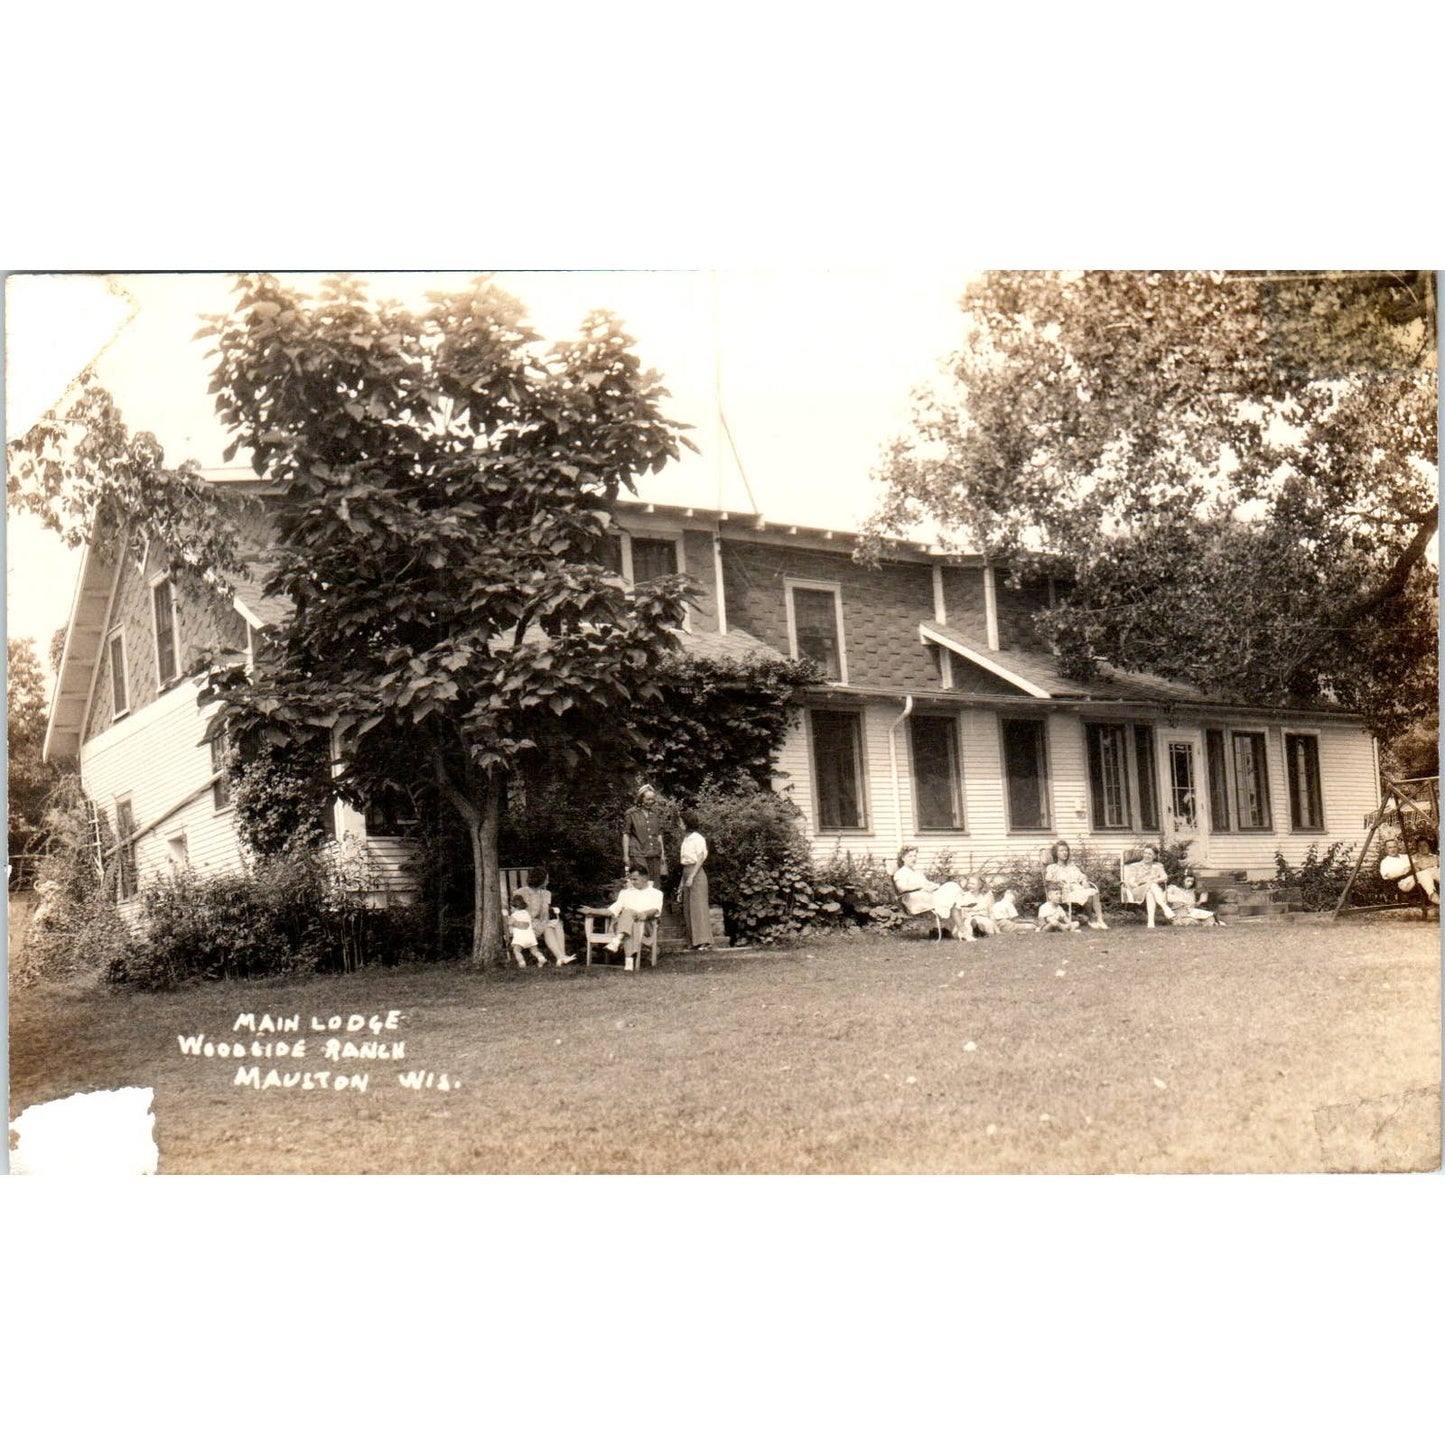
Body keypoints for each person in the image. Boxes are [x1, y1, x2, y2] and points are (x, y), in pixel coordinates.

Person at [892, 845, 975, 940]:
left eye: (915, 856)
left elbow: (925, 883)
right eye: (910, 856)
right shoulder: (901, 873)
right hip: (915, 900)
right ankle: (966, 900)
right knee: (953, 894)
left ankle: (963, 931)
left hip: (926, 896)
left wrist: (933, 885)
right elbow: (902, 888)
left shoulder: (916, 872)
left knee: (952, 887)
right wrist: (921, 886)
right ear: (903, 858)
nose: (913, 858)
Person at [605, 865, 665, 965]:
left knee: (629, 915)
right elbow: (612, 910)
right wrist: (591, 911)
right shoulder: (625, 893)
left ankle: (617, 942)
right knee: (629, 915)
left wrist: (644, 913)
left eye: (634, 879)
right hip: (625, 925)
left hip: (645, 925)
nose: (632, 882)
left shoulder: (656, 893)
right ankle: (628, 959)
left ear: (645, 878)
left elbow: (655, 910)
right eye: (630, 879)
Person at [1044, 840, 1108, 929]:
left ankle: (1100, 920)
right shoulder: (1052, 867)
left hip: (1078, 889)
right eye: (1061, 851)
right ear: (1056, 853)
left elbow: (1081, 876)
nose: (1064, 853)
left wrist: (1084, 880)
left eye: (1066, 850)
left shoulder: (1072, 866)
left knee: (1093, 892)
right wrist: (1058, 880)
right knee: (1091, 893)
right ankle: (1092, 919)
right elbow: (1048, 878)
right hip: (1065, 891)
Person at [521, 868, 575, 964]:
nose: (548, 881)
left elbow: (544, 914)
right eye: (546, 879)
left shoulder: (546, 893)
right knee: (547, 927)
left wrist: (548, 921)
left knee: (557, 924)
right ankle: (561, 957)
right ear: (540, 880)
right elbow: (518, 912)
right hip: (526, 923)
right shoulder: (521, 893)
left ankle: (562, 956)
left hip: (540, 921)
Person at [677, 809, 713, 950]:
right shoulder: (686, 839)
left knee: (698, 907)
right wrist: (682, 882)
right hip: (687, 872)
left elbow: (700, 858)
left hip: (696, 873)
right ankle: (693, 941)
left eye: (681, 822)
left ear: (687, 823)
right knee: (688, 908)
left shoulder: (698, 838)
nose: (679, 824)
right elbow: (685, 863)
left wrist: (692, 876)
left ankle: (704, 941)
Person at [623, 785, 668, 888]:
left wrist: (662, 855)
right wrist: (625, 855)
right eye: (648, 799)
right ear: (641, 798)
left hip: (654, 854)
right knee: (640, 883)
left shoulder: (655, 814)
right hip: (638, 853)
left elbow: (659, 835)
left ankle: (654, 904)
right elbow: (626, 834)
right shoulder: (631, 813)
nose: (651, 802)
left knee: (655, 885)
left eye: (652, 799)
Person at [1121, 844, 1176, 928]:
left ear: (1154, 856)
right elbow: (1131, 882)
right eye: (1145, 853)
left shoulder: (1158, 865)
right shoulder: (1135, 866)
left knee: (1150, 891)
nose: (1146, 855)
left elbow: (1165, 877)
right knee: (1151, 886)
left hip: (1152, 890)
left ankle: (1151, 922)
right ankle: (1165, 907)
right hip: (1138, 890)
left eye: (1150, 854)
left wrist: (1153, 881)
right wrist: (1140, 883)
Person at [1379, 838, 1441, 904]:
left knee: (1435, 870)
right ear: (1386, 849)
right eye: (1390, 847)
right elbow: (1389, 875)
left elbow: (1418, 866)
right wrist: (1405, 870)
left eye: (1394, 846)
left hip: (1415, 877)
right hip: (1403, 882)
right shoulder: (1385, 862)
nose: (1393, 849)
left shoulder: (1405, 857)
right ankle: (1432, 895)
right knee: (1423, 873)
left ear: (1398, 847)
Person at [508, 891, 549, 967]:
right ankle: (541, 958)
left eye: (511, 907)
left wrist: (507, 917)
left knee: (516, 951)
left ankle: (521, 962)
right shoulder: (527, 914)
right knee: (534, 950)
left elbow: (510, 923)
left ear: (515, 907)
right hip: (530, 936)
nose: (510, 909)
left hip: (520, 938)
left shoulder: (514, 915)